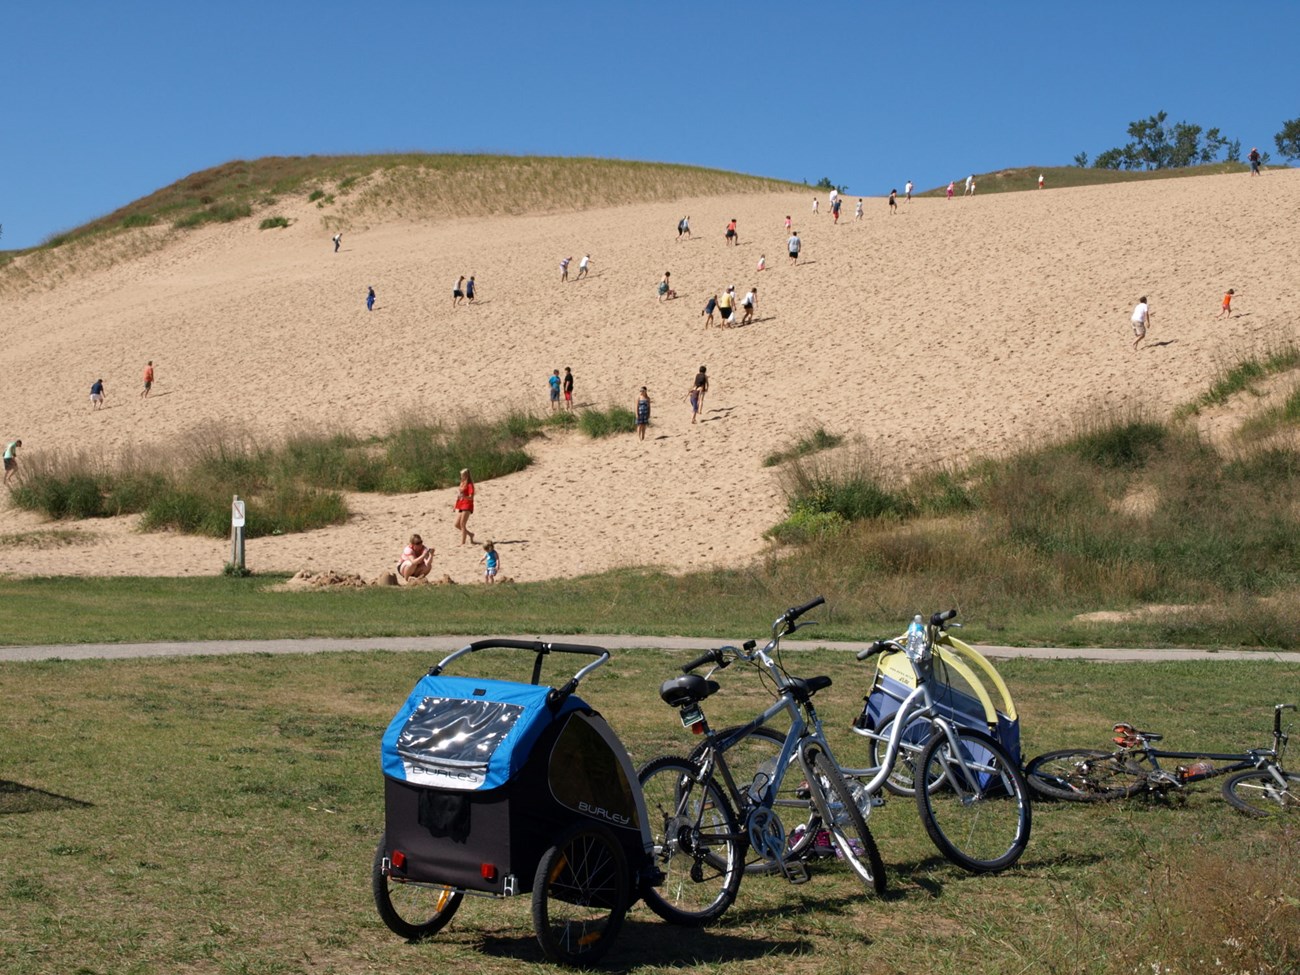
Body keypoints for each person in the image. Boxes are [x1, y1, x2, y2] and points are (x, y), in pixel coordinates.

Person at [454, 469, 475, 544]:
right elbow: (460, 496)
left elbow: (471, 497)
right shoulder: (462, 483)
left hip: (467, 505)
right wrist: (456, 505)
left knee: (462, 524)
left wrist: (464, 497)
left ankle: (463, 542)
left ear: (466, 475)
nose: (461, 477)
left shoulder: (469, 485)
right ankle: (470, 534)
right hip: (461, 504)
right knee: (456, 524)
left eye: (462, 475)